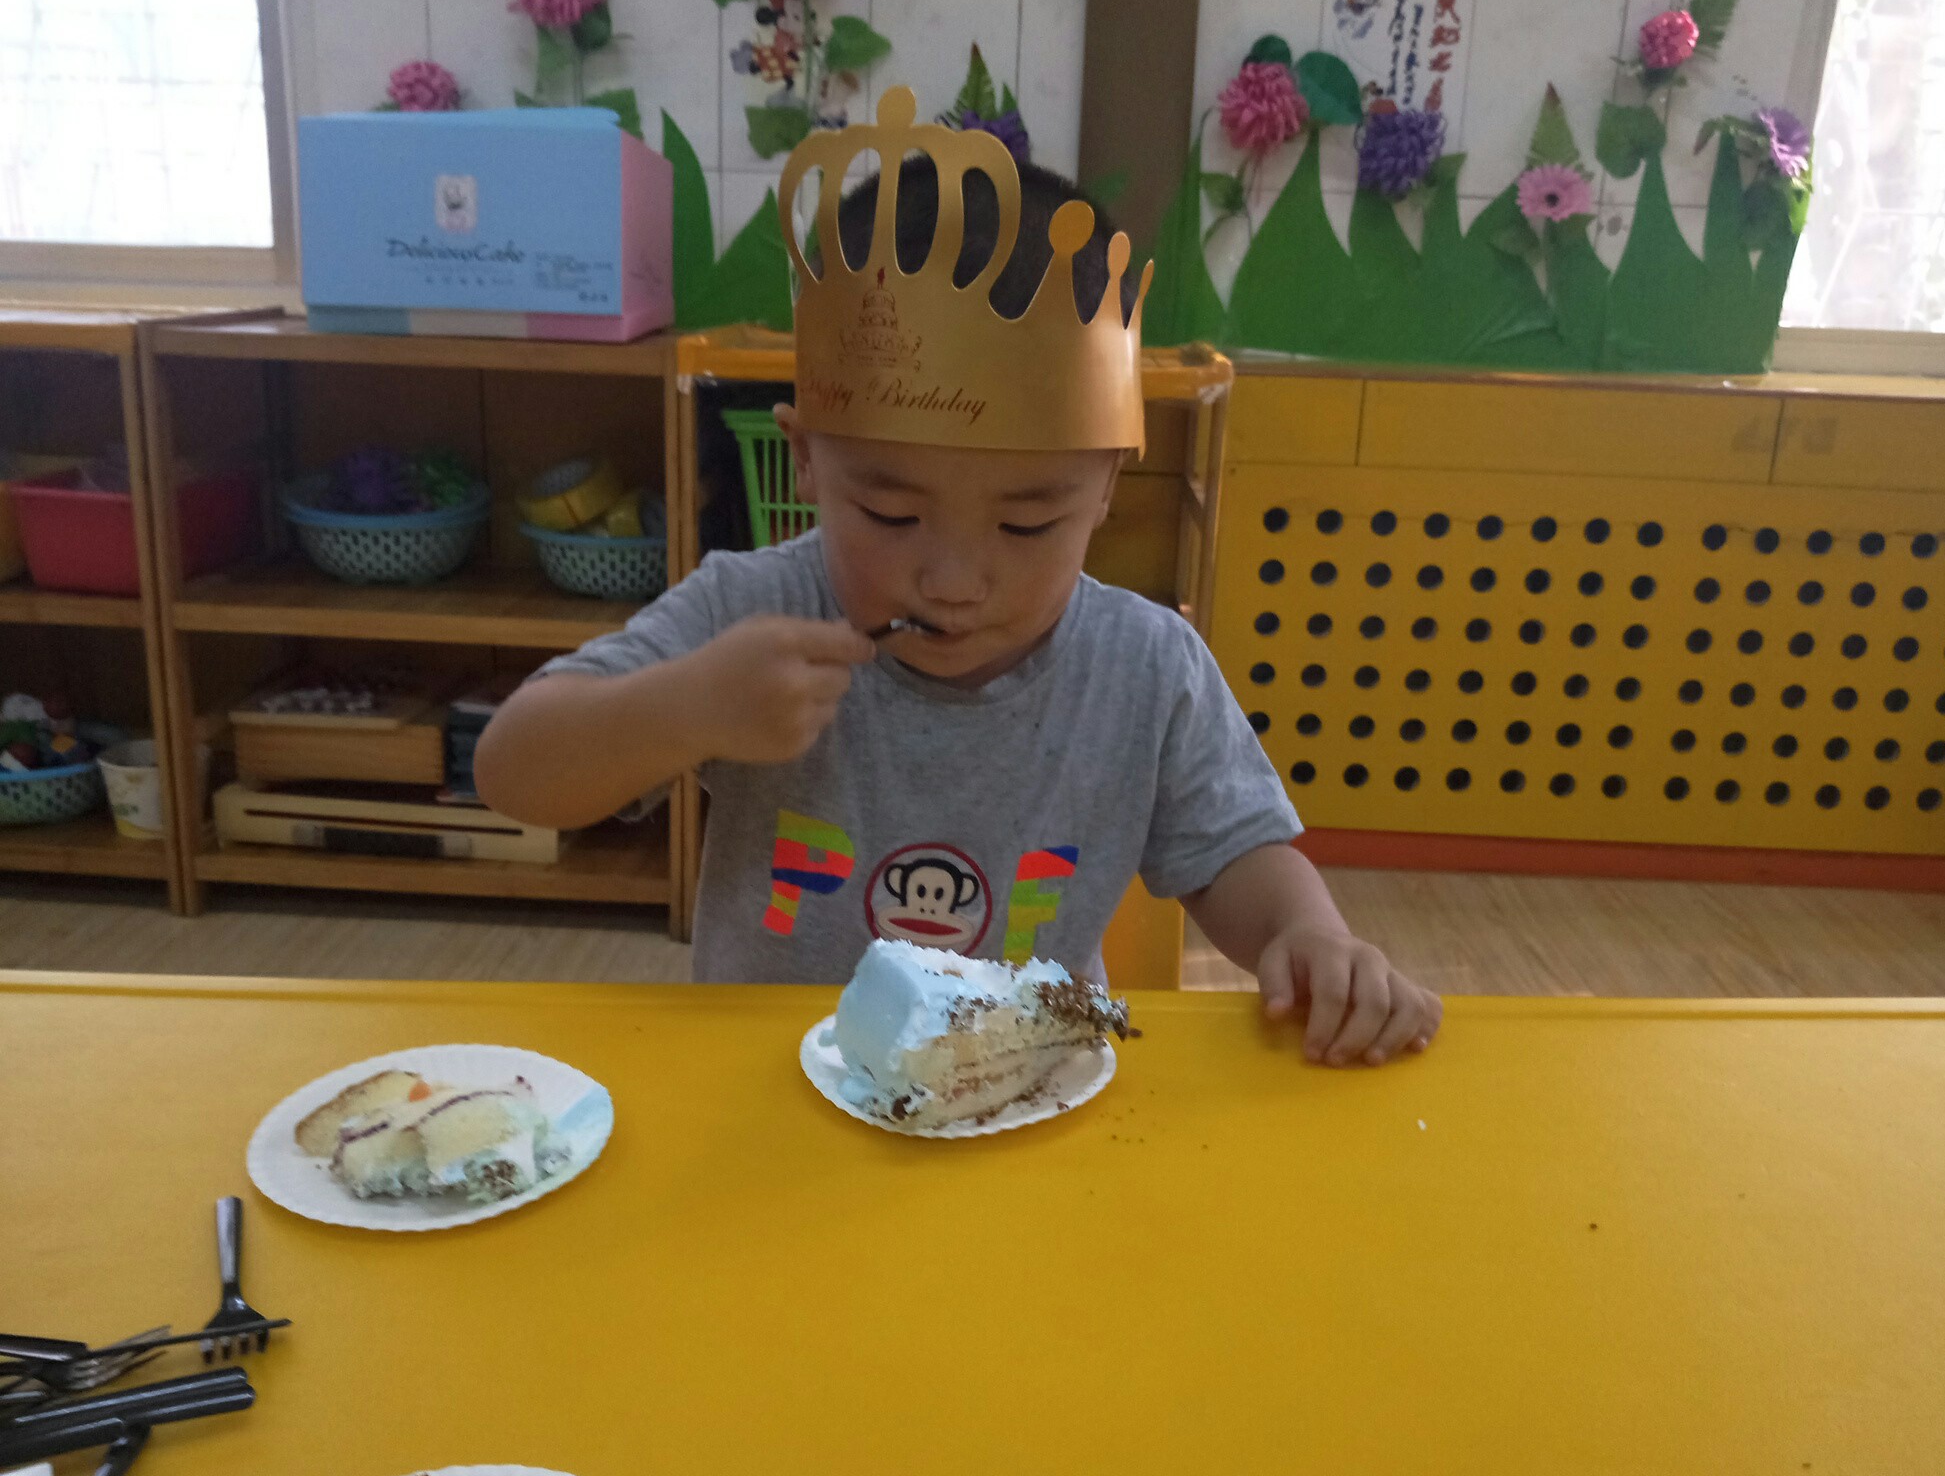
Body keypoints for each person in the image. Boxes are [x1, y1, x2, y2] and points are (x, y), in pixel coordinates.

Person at [475, 93, 1441, 1065]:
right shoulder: (751, 616)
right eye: (891, 514)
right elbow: (514, 769)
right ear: (805, 458)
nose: (954, 581)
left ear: (1108, 483)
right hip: (774, 1100)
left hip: (1023, 1091)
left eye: (1028, 523)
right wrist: (688, 708)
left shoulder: (1147, 666)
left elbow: (1234, 853)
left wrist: (1305, 933)